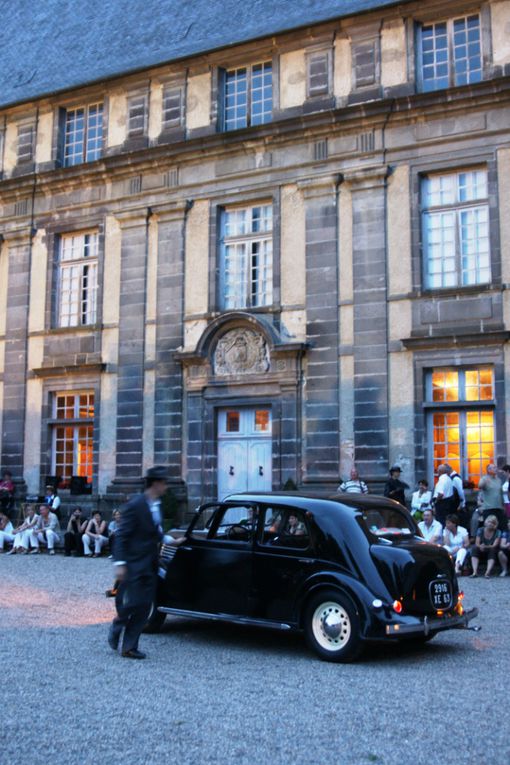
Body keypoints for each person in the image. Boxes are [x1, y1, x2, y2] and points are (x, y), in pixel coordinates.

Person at [108, 466, 185, 659]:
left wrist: (170, 541)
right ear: (156, 484)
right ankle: (118, 622)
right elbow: (121, 536)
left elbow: (155, 531)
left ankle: (129, 647)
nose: (166, 487)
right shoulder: (135, 505)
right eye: (164, 483)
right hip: (134, 562)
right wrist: (119, 564)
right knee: (136, 602)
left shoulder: (156, 504)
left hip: (151, 561)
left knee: (144, 607)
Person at [478, 464, 505, 529]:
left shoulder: (499, 480)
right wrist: (484, 482)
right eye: (494, 468)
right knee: (489, 528)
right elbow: (479, 486)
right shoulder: (484, 478)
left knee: (501, 527)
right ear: (489, 470)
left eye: (496, 467)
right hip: (488, 508)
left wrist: (503, 505)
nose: (496, 469)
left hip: (499, 507)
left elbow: (501, 493)